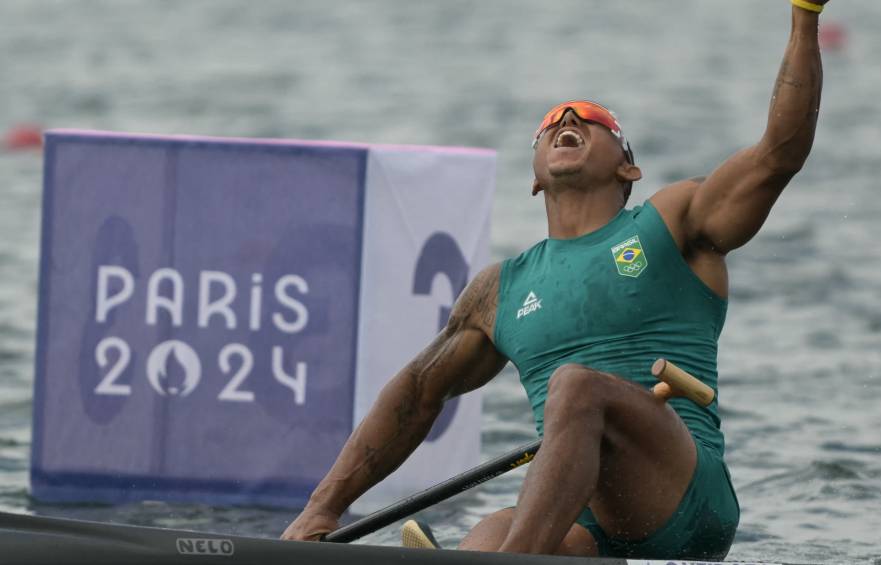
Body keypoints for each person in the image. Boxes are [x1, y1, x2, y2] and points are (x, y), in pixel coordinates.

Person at [282, 0, 829, 558]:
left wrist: (805, 16)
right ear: (536, 177)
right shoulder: (500, 290)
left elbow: (778, 155)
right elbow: (417, 394)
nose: (567, 120)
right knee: (492, 530)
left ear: (628, 166)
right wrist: (320, 509)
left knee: (575, 385)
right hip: (586, 520)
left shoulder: (674, 221)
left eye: (592, 118)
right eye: (551, 123)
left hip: (686, 499)